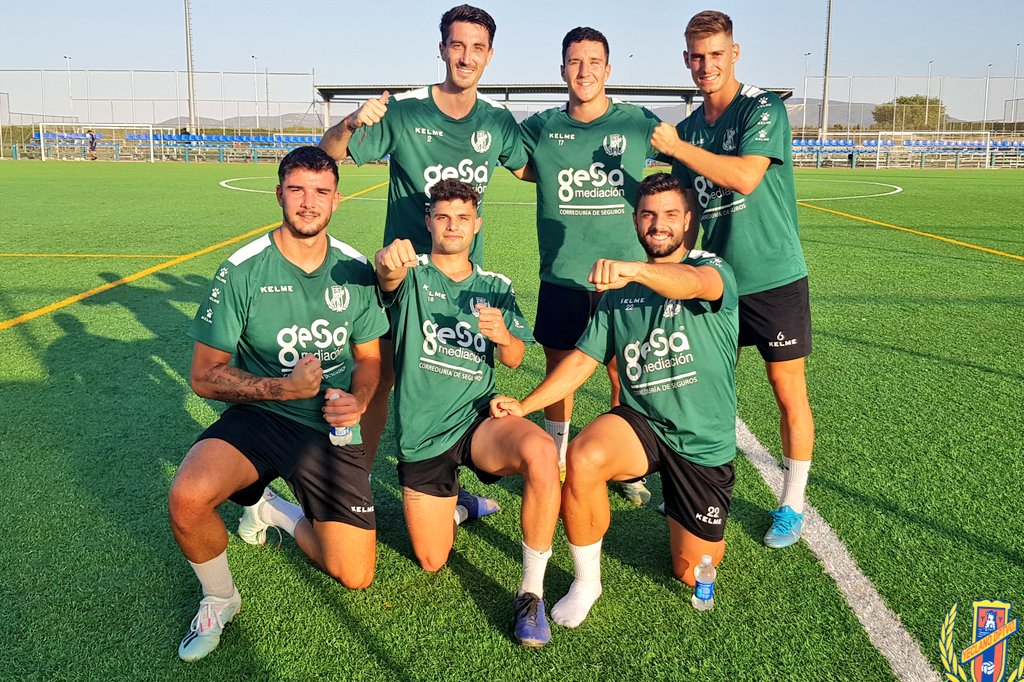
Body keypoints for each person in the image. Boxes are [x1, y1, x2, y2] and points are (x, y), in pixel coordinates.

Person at [168, 147, 388, 662]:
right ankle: (220, 597)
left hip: (328, 431)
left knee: (354, 574)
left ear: (337, 199)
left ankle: (271, 509)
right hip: (261, 417)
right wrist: (279, 389)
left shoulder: (355, 270)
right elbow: (203, 377)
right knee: (187, 498)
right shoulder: (241, 270)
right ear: (279, 194)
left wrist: (356, 399)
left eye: (320, 191)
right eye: (297, 189)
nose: (308, 203)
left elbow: (371, 359)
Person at [491, 173, 738, 628]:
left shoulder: (712, 268)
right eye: (647, 214)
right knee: (584, 455)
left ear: (687, 220)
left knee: (691, 571)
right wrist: (524, 406)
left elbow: (694, 284)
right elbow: (582, 362)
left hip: (702, 442)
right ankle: (587, 582)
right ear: (636, 220)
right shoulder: (620, 295)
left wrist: (635, 269)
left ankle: (683, 508)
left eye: (668, 215)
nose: (657, 224)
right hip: (642, 422)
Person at [318, 3, 529, 467]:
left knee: (456, 378)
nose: (467, 57)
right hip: (402, 279)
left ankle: (447, 488)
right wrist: (351, 121)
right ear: (442, 49)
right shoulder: (405, 111)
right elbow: (328, 153)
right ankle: (360, 478)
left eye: (477, 47)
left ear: (490, 55)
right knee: (380, 375)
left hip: (461, 282)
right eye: (458, 45)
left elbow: (535, 169)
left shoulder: (497, 122)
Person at [651, 10, 814, 548]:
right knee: (702, 392)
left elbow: (744, 175)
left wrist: (675, 148)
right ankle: (693, 487)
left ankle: (792, 503)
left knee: (786, 389)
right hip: (715, 283)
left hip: (772, 277)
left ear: (734, 53)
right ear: (685, 59)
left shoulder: (761, 107)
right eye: (697, 57)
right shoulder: (693, 126)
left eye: (716, 55)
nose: (707, 66)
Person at [376, 179, 560, 648]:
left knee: (541, 451)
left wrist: (503, 337)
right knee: (433, 559)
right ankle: (462, 507)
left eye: (462, 218)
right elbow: (386, 279)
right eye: (443, 217)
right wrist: (386, 266)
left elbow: (516, 358)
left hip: (479, 419)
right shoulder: (413, 275)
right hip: (422, 435)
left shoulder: (494, 286)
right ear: (429, 223)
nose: (453, 226)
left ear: (477, 225)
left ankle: (531, 592)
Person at [518, 27, 662, 503]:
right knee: (559, 367)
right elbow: (518, 164)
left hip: (623, 277)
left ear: (609, 68)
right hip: (562, 273)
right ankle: (556, 456)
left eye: (594, 61)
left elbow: (681, 162)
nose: (584, 71)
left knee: (623, 370)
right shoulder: (540, 127)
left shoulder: (639, 123)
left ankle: (627, 466)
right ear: (562, 69)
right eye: (575, 62)